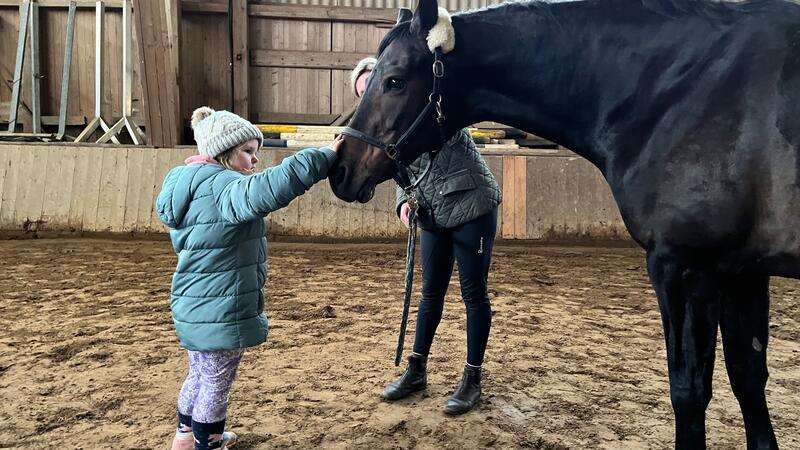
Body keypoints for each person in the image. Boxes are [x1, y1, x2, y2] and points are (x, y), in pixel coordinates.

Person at [157, 106, 343, 450]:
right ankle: (208, 443)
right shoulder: (224, 187)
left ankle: (184, 437)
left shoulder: (186, 184)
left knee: (199, 372)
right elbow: (269, 188)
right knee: (217, 380)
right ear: (223, 153)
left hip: (192, 303)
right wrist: (322, 157)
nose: (254, 161)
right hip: (222, 306)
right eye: (247, 152)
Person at [351, 58, 502, 415]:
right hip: (431, 212)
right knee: (430, 291)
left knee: (473, 293)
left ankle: (472, 378)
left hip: (470, 205)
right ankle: (416, 369)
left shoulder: (433, 106)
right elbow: (397, 169)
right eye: (362, 94)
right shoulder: (386, 128)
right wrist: (403, 201)